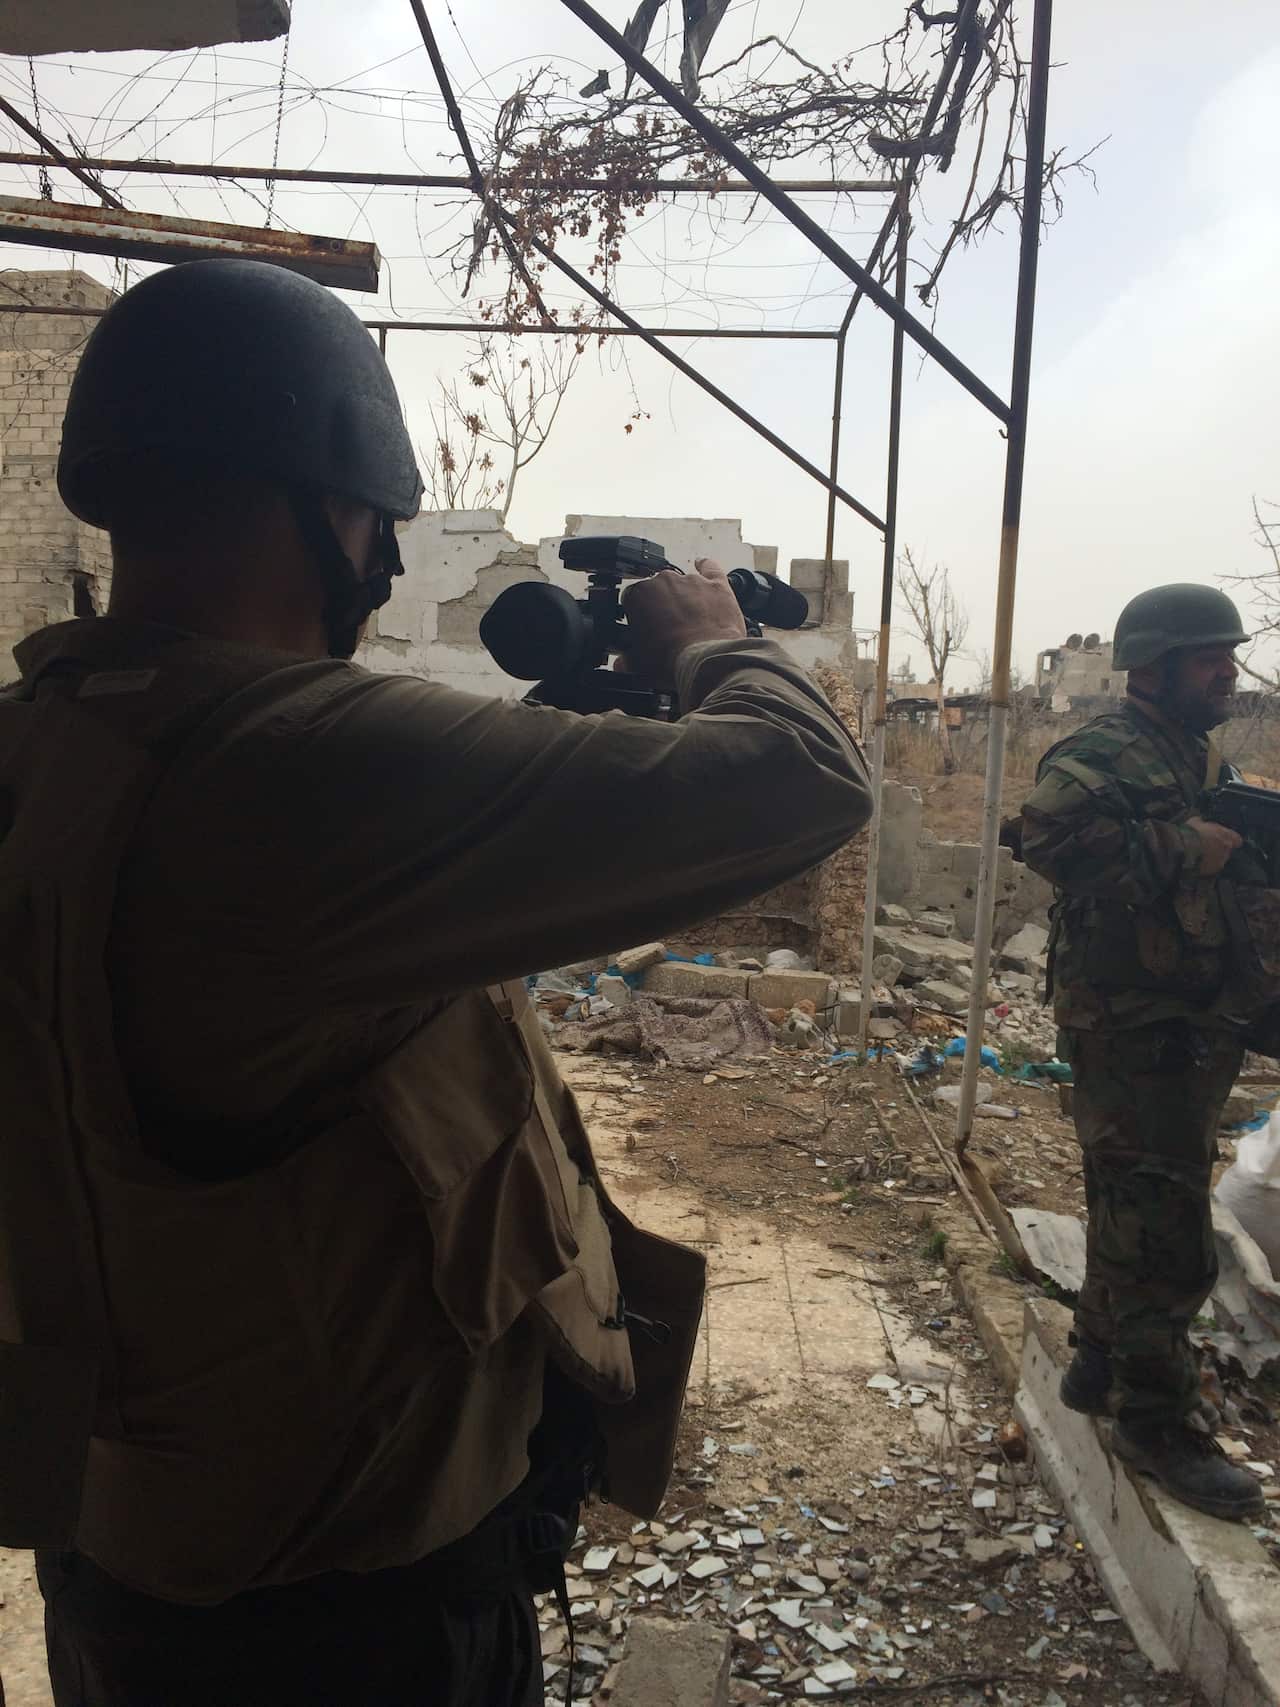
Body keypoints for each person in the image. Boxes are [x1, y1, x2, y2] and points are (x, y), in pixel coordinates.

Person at [0, 259, 871, 1707]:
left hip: (133, 1541)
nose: (388, 558)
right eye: (379, 521)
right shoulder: (295, 773)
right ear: (327, 508)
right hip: (343, 1603)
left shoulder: (51, 741)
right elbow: (799, 782)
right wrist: (719, 641)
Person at [1020, 583, 1271, 1521]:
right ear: (1155, 667)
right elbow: (1045, 835)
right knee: (1164, 1224)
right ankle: (1157, 1420)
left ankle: (1096, 1355)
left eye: (1229, 654)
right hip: (1133, 1023)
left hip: (1178, 1014)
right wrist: (1177, 846)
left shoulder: (1188, 747)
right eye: (1211, 657)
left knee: (1130, 1194)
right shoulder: (1103, 749)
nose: (1227, 671)